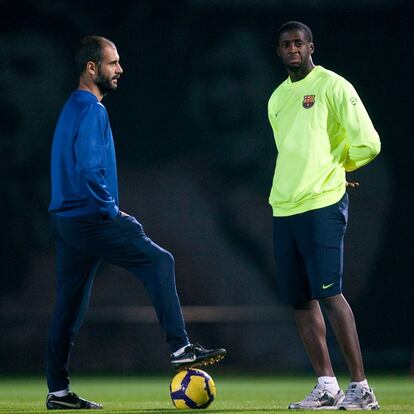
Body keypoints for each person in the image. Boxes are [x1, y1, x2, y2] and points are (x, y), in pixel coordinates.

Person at [46, 35, 226, 410]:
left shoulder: (71, 107)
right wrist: (112, 211)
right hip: (93, 219)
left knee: (69, 308)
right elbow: (88, 169)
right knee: (160, 261)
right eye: (113, 63)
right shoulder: (92, 110)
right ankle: (180, 348)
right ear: (92, 68)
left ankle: (58, 391)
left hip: (67, 223)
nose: (120, 69)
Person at [268, 21, 380, 410]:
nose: (293, 49)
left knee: (329, 294)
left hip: (322, 204)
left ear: (311, 46)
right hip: (284, 205)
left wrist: (339, 168)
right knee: (300, 300)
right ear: (279, 51)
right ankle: (327, 386)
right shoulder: (277, 98)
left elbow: (368, 141)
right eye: (286, 44)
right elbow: (292, 151)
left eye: (299, 43)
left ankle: (362, 388)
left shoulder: (334, 85)